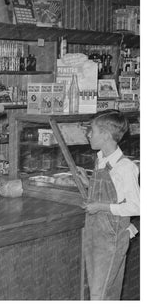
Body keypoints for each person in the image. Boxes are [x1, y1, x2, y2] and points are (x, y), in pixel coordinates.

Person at [76, 110, 140, 300]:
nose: (89, 134)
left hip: (112, 237)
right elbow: (112, 193)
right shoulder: (100, 160)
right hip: (95, 232)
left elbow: (137, 206)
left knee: (99, 294)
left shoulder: (125, 167)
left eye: (92, 131)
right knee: (104, 291)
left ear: (105, 136)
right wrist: (89, 184)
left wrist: (100, 207)